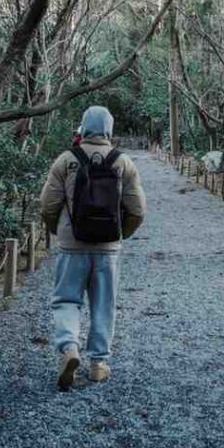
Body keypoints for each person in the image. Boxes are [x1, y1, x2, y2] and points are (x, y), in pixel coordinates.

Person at [40, 105, 146, 390]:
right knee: (104, 304)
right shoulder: (122, 162)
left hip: (72, 245)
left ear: (83, 127)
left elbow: (48, 205)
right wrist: (120, 235)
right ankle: (98, 364)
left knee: (66, 299)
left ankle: (69, 349)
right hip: (108, 247)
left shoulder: (66, 160)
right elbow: (138, 210)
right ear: (109, 130)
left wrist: (60, 231)